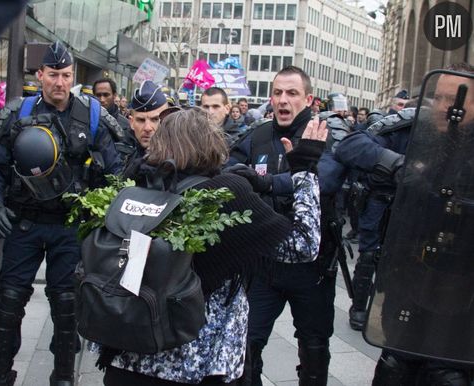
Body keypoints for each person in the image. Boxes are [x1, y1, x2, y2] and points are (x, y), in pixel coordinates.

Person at [93, 106, 327, 386]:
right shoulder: (224, 195)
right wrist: (305, 170)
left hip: (127, 355)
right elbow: (303, 244)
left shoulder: (131, 184)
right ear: (211, 143)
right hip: (197, 366)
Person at [0, 41, 121, 386]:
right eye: (54, 75)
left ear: (73, 77)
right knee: (9, 301)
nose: (60, 82)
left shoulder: (91, 115)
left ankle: (62, 377)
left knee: (66, 304)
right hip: (24, 223)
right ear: (40, 74)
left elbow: (115, 174)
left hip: (70, 227)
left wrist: (100, 214)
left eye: (67, 75)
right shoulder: (18, 112)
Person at [334, 63, 474, 385]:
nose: (444, 106)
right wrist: (399, 167)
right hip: (407, 280)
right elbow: (353, 145)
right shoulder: (413, 128)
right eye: (438, 97)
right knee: (394, 367)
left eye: (455, 98)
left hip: (460, 295)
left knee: (447, 375)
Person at [228, 66, 347, 385]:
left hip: (313, 267)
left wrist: (269, 183)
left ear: (308, 99)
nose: (283, 99)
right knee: (247, 345)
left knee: (314, 346)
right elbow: (230, 171)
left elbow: (328, 178)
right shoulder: (257, 134)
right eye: (277, 92)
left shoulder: (322, 133)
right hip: (264, 262)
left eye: (292, 93)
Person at [121, 80, 169, 176]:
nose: (147, 128)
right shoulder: (128, 157)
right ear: (131, 122)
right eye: (141, 120)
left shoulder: (180, 161)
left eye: (155, 119)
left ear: (166, 120)